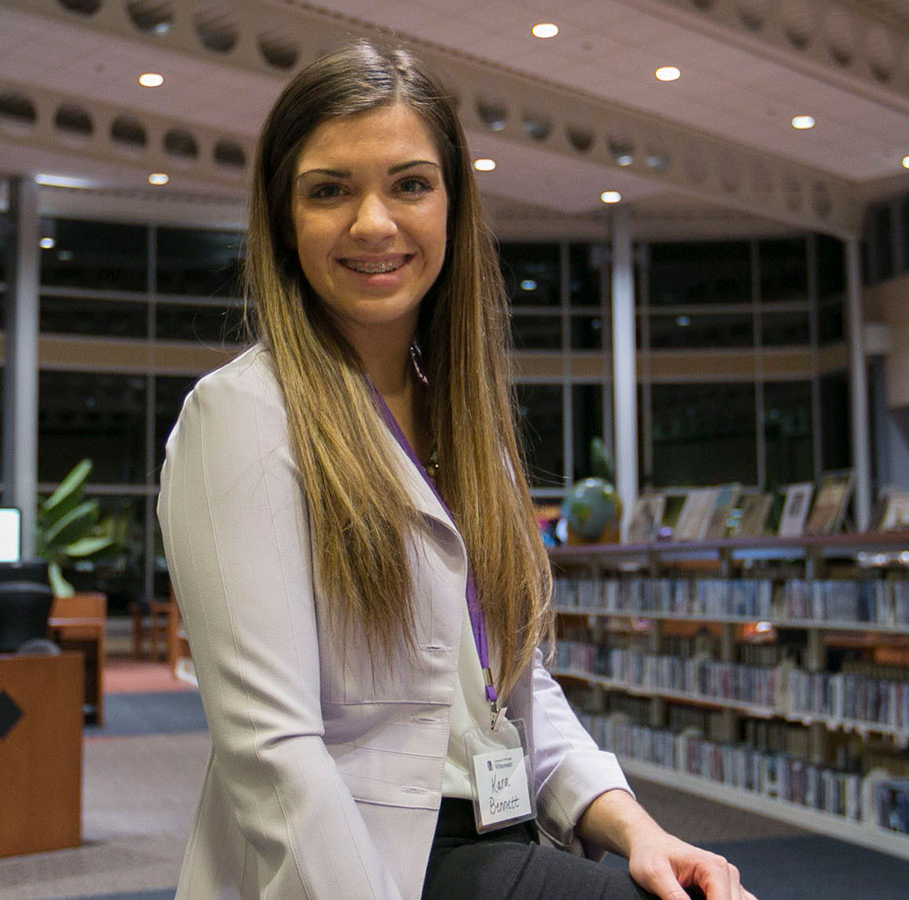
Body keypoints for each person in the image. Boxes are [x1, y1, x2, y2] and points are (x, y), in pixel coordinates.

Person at [158, 40, 757, 900]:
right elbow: (272, 750)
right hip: (371, 862)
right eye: (330, 190)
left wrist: (636, 827)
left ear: (452, 204)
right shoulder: (243, 416)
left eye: (409, 184)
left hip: (498, 829)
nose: (373, 223)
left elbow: (512, 685)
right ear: (285, 218)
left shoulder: (466, 423)